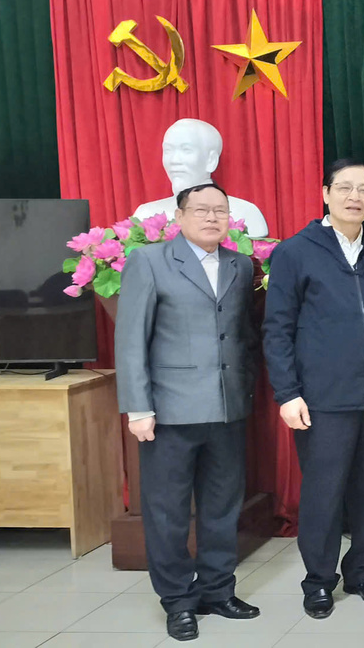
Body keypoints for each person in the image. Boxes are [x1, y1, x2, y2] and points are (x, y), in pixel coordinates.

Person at [263, 159, 364, 620]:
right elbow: (277, 329)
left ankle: (362, 571)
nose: (355, 197)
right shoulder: (295, 252)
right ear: (326, 193)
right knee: (323, 493)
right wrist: (288, 393)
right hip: (321, 399)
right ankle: (319, 580)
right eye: (345, 187)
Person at [115, 182, 260, 642]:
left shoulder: (240, 264)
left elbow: (242, 335)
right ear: (179, 217)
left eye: (220, 211)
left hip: (227, 408)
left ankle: (218, 590)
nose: (212, 218)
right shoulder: (149, 261)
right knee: (168, 513)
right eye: (201, 210)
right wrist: (138, 406)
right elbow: (131, 339)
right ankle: (177, 600)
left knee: (222, 508)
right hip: (169, 411)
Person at [132, 119, 269, 237]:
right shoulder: (145, 214)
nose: (174, 160)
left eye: (186, 150)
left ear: (211, 160)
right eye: (168, 150)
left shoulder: (245, 213)